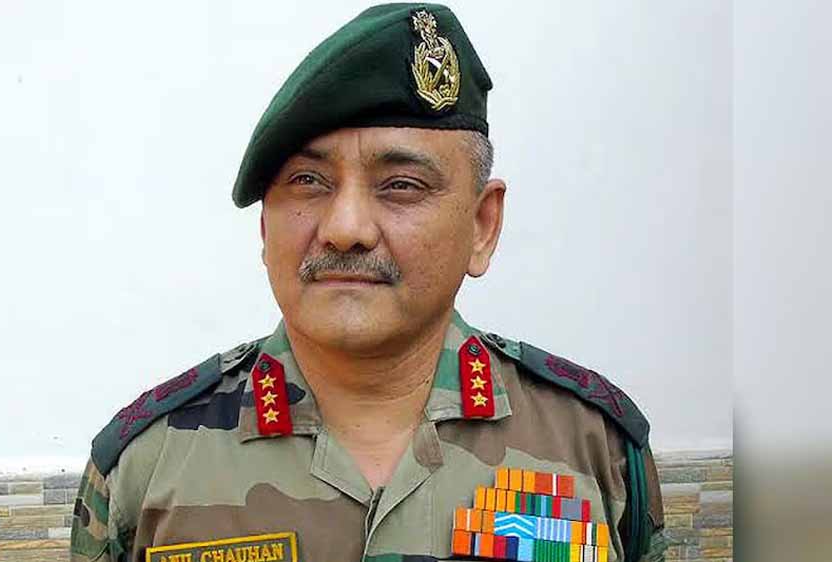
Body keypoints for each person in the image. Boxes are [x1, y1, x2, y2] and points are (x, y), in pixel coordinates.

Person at [70, 4, 664, 562]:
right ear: (265, 227)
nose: (345, 229)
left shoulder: (595, 449)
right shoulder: (147, 468)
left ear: (483, 226)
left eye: (401, 185)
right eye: (307, 181)